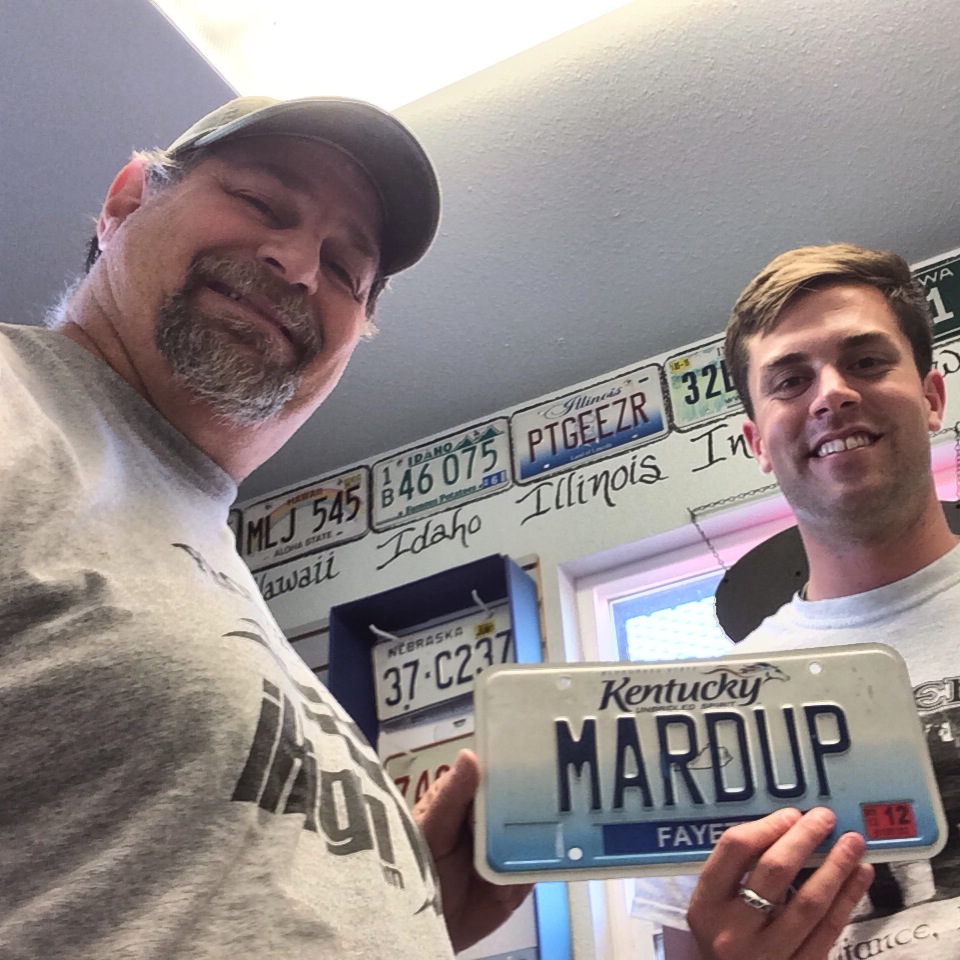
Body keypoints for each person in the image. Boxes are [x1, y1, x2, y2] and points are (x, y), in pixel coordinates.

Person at [0, 96, 527, 958]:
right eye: (262, 204)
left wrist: (397, 905)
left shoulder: (215, 584)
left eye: (345, 270)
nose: (295, 265)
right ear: (128, 201)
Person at [642, 242, 960, 960]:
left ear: (932, 397)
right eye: (789, 380)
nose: (832, 393)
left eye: (868, 361)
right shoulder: (699, 721)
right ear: (757, 441)